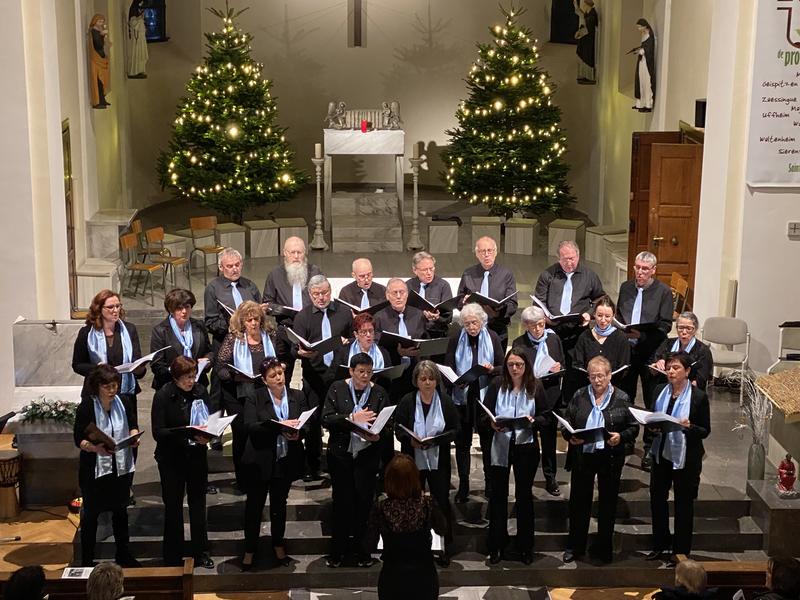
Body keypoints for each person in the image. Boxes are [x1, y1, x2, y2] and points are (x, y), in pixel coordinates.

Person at [562, 355, 639, 564]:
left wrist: (620, 437)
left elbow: (633, 427)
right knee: (579, 502)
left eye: (601, 376)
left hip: (610, 457)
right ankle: (575, 546)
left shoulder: (622, 397)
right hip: (584, 455)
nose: (597, 381)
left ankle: (604, 548)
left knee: (607, 504)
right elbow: (567, 422)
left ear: (609, 376)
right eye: (593, 376)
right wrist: (571, 435)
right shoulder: (579, 395)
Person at [322, 353, 390, 568]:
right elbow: (326, 418)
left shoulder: (378, 392)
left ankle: (362, 552)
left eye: (369, 372)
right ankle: (338, 552)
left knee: (364, 504)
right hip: (341, 455)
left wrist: (378, 434)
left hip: (367, 456)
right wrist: (351, 419)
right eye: (361, 372)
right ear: (351, 371)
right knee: (342, 503)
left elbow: (388, 423)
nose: (365, 376)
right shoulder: (337, 388)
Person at [483, 349, 547, 565]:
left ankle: (525, 547)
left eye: (519, 364)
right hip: (500, 445)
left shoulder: (535, 386)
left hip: (526, 447)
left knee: (524, 496)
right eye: (511, 364)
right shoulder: (496, 385)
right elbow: (484, 415)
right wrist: (491, 423)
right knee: (498, 496)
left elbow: (546, 417)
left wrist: (533, 421)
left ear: (526, 365)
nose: (515, 369)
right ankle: (496, 546)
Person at [240, 357, 305, 571]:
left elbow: (306, 422)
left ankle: (278, 544)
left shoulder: (296, 395)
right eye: (273, 376)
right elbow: (250, 426)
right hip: (260, 460)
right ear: (264, 380)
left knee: (279, 505)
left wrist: (298, 432)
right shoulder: (254, 397)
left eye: (280, 373)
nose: (279, 378)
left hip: (284, 460)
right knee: (254, 506)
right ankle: (249, 549)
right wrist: (280, 427)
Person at [73, 364, 141, 567]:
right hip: (95, 470)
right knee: (91, 516)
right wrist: (96, 449)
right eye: (108, 386)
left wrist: (133, 436)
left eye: (115, 385)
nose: (113, 390)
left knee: (120, 513)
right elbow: (79, 439)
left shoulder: (125, 402)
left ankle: (123, 554)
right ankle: (87, 560)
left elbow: (133, 424)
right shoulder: (86, 407)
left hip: (120, 469)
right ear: (97, 387)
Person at [647, 351, 710, 563]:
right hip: (661, 452)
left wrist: (689, 427)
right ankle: (660, 544)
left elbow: (705, 430)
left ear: (687, 371)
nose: (671, 372)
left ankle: (680, 551)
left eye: (676, 368)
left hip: (686, 457)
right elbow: (652, 418)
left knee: (683, 504)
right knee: (658, 500)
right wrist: (652, 428)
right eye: (669, 368)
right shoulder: (658, 390)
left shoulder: (698, 397)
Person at [151, 356, 214, 569]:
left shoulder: (200, 391)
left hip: (196, 458)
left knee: (198, 506)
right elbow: (158, 432)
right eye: (187, 377)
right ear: (175, 378)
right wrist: (186, 435)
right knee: (174, 508)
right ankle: (172, 555)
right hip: (172, 460)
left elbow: (210, 420)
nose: (191, 381)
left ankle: (201, 552)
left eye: (193, 376)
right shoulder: (163, 396)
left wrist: (209, 436)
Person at [394, 360, 458, 565]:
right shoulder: (407, 400)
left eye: (431, 379)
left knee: (440, 501)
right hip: (413, 459)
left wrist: (437, 440)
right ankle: (415, 544)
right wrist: (410, 439)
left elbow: (456, 429)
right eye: (423, 379)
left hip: (439, 459)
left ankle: (444, 546)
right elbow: (399, 428)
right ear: (416, 381)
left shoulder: (446, 401)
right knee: (412, 501)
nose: (428, 383)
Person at [292, 274, 352, 481]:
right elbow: (294, 347)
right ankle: (313, 465)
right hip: (314, 376)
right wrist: (301, 352)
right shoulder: (303, 316)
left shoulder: (344, 312)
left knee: (340, 419)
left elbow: (354, 336)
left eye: (325, 293)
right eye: (316, 294)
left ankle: (340, 460)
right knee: (313, 423)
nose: (321, 297)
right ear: (309, 295)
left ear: (331, 291)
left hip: (339, 375)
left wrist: (347, 342)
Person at [444, 302, 504, 503]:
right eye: (467, 323)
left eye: (474, 322)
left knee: (487, 444)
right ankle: (464, 485)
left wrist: (491, 370)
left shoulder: (493, 337)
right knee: (462, 444)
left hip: (485, 396)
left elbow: (502, 366)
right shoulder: (455, 339)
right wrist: (455, 381)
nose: (471, 327)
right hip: (463, 398)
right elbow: (449, 367)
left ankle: (489, 484)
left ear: (482, 321)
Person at [366, 454, 448, 600]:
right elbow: (442, 529)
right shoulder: (427, 504)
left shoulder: (381, 507)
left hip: (393, 577)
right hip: (424, 576)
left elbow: (370, 544)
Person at [215, 300, 277, 489]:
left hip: (263, 393)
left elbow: (278, 359)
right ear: (242, 322)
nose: (253, 323)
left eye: (256, 319)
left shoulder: (269, 336)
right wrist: (235, 376)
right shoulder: (234, 338)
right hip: (238, 395)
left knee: (265, 433)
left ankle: (264, 476)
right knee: (242, 437)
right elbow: (221, 366)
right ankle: (243, 479)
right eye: (248, 320)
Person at [647, 312, 713, 471]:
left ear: (695, 330)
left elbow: (702, 379)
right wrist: (658, 363)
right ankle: (652, 449)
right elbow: (652, 365)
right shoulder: (668, 344)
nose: (684, 332)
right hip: (665, 391)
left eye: (688, 329)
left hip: (686, 395)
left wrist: (683, 379)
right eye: (680, 327)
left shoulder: (702, 350)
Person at [512, 305, 566, 496]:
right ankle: (526, 475)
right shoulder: (519, 343)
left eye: (541, 324)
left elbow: (562, 364)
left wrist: (557, 367)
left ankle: (550, 476)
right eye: (533, 326)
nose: (538, 329)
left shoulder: (553, 339)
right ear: (526, 325)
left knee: (549, 438)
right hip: (528, 395)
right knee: (529, 440)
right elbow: (515, 369)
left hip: (549, 395)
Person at [204, 248, 261, 418]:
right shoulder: (213, 288)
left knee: (248, 384)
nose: (234, 269)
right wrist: (234, 325)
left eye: (237, 265)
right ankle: (215, 432)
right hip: (224, 344)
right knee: (218, 390)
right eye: (229, 266)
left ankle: (248, 419)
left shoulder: (250, 286)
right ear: (221, 267)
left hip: (249, 344)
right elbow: (210, 322)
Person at [616, 251, 673, 405]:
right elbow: (619, 315)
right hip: (627, 349)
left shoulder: (664, 292)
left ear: (653, 270)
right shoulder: (626, 287)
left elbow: (665, 325)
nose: (640, 272)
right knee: (625, 393)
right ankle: (627, 426)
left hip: (651, 350)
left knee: (651, 395)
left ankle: (651, 428)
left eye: (645, 269)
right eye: (638, 268)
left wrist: (641, 336)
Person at [72, 289, 146, 408]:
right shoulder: (86, 333)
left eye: (118, 306)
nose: (116, 310)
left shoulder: (129, 329)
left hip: (124, 393)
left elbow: (137, 361)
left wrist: (139, 369)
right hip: (96, 392)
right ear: (99, 309)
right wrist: (98, 368)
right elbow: (78, 365)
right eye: (111, 307)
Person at [262, 236, 322, 380]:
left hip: (309, 330)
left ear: (305, 253)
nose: (296, 257)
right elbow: (267, 302)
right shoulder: (275, 275)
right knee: (283, 374)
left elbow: (323, 297)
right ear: (285, 253)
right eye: (292, 252)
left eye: (299, 253)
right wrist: (280, 309)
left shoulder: (315, 272)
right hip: (285, 329)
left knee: (311, 375)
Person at [534, 240, 604, 356]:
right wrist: (545, 318)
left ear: (578, 256)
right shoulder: (547, 275)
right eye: (565, 259)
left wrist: (590, 313)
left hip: (578, 329)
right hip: (552, 329)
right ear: (558, 258)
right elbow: (538, 302)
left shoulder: (589, 276)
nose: (569, 263)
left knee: (575, 369)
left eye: (572, 258)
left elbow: (601, 298)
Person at [458, 236, 518, 347]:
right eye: (482, 251)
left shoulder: (506, 274)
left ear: (495, 252)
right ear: (476, 254)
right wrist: (464, 302)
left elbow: (513, 304)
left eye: (490, 250)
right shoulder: (468, 273)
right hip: (472, 329)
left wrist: (497, 313)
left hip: (497, 329)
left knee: (496, 363)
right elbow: (459, 300)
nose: (486, 254)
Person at [150, 288, 213, 392]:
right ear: (171, 309)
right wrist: (178, 373)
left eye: (187, 307)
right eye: (179, 308)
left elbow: (209, 351)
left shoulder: (199, 326)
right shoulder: (160, 331)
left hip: (197, 384)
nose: (184, 311)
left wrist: (208, 360)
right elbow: (157, 365)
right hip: (170, 386)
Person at [325, 312, 392, 386]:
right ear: (356, 334)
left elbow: (389, 380)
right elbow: (330, 377)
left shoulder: (383, 353)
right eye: (364, 332)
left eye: (371, 331)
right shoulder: (343, 351)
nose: (368, 335)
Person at [406, 251, 454, 339]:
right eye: (425, 270)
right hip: (412, 333)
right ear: (415, 270)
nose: (429, 273)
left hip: (436, 333)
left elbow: (449, 317)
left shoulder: (443, 285)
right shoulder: (408, 286)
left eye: (431, 269)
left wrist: (437, 317)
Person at [634, 18, 656, 112]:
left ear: (644, 26)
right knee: (641, 81)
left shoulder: (650, 36)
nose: (639, 29)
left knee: (647, 82)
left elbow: (649, 50)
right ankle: (641, 103)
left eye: (639, 27)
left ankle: (648, 104)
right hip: (642, 62)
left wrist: (642, 51)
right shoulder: (644, 35)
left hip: (647, 64)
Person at [88, 14, 111, 108]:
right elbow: (98, 44)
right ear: (95, 21)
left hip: (101, 57)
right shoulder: (94, 31)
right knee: (99, 80)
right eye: (99, 22)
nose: (101, 24)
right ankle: (99, 100)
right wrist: (102, 36)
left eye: (102, 22)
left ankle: (103, 99)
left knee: (104, 80)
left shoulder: (98, 31)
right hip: (96, 58)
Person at [574, 0, 598, 84]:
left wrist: (579, 33)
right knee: (583, 57)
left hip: (588, 40)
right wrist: (576, 6)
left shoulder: (592, 15)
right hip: (585, 39)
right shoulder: (589, 12)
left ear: (587, 5)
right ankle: (585, 75)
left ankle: (589, 77)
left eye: (583, 4)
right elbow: (582, 15)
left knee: (587, 57)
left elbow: (588, 29)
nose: (583, 6)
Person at [126, 0, 148, 78]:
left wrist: (141, 18)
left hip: (141, 39)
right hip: (137, 40)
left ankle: (140, 70)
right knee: (136, 55)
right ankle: (134, 71)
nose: (141, 4)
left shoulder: (138, 11)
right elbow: (133, 24)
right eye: (140, 2)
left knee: (141, 55)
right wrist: (140, 18)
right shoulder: (133, 13)